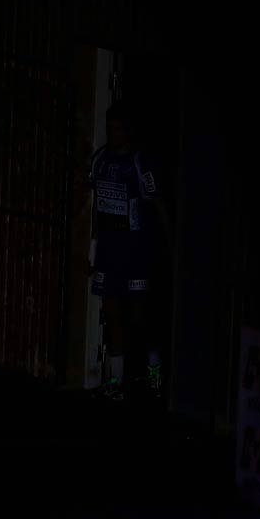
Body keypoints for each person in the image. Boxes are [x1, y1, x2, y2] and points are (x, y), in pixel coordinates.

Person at [87, 102, 171, 399]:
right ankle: (116, 383)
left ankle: (154, 371)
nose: (114, 134)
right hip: (109, 252)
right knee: (112, 315)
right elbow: (94, 208)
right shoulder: (99, 160)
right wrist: (93, 249)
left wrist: (165, 243)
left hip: (135, 252)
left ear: (129, 131)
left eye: (120, 129)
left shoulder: (139, 162)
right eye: (110, 128)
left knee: (138, 317)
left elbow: (156, 201)